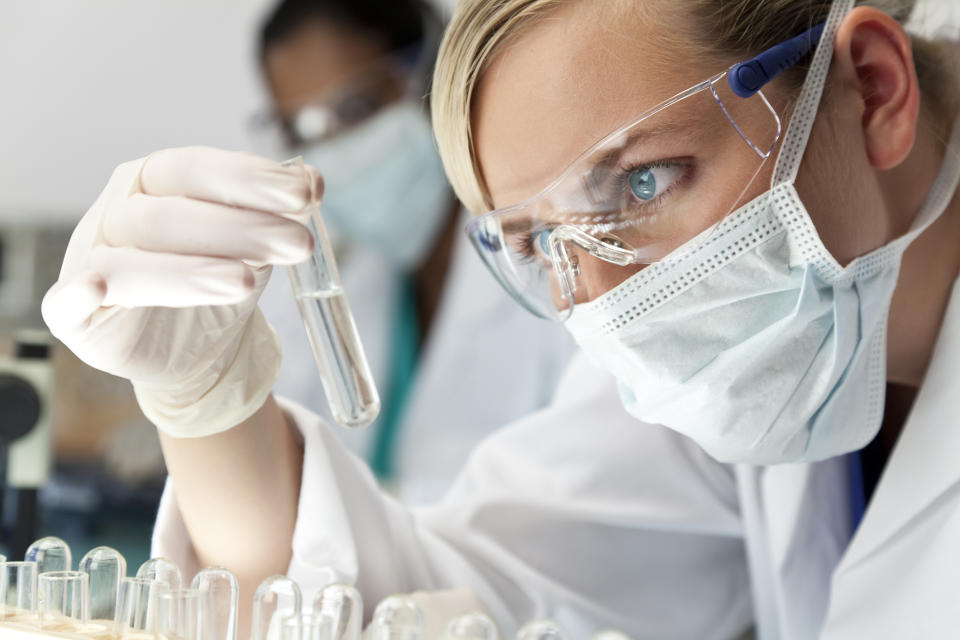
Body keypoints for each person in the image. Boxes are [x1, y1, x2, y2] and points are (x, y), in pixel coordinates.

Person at [41, 0, 960, 638]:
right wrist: (208, 407)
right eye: (534, 242)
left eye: (644, 180)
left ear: (873, 90)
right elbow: (447, 607)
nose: (603, 299)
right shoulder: (747, 354)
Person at [253, 0, 576, 501]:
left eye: (357, 108)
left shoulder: (552, 257)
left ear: (430, 76)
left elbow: (580, 492)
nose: (338, 151)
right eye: (302, 130)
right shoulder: (350, 280)